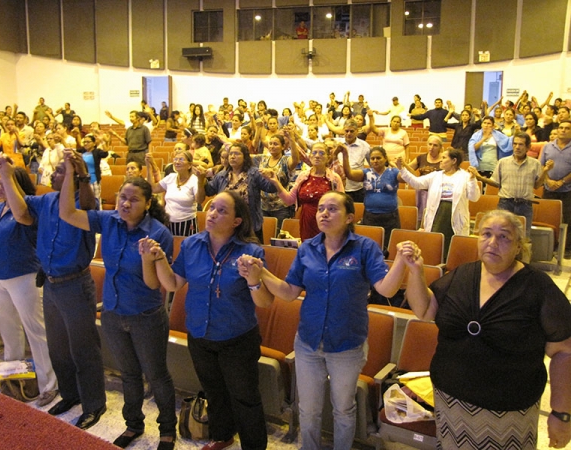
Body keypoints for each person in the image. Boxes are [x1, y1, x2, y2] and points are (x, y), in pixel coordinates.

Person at [237, 191, 414, 450]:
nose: (324, 213)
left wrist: (401, 262)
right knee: (308, 410)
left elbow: (386, 289)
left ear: (350, 216)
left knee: (343, 408)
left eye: (332, 208)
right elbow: (288, 292)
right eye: (321, 208)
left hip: (347, 344)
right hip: (308, 341)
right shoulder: (308, 248)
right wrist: (261, 272)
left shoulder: (365, 248)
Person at [402, 209, 571, 450]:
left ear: (519, 246)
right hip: (451, 403)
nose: (493, 243)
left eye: (504, 237)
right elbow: (425, 309)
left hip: (509, 413)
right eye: (486, 234)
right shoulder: (463, 274)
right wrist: (416, 272)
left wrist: (561, 413)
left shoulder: (537, 287)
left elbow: (565, 352)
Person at [59, 152, 177, 449]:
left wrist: (148, 258)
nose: (126, 203)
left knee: (157, 375)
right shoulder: (109, 221)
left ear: (148, 204)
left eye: (134, 199)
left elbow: (155, 285)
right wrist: (74, 174)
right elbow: (68, 214)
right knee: (128, 374)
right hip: (112, 312)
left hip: (146, 315)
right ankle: (133, 425)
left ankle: (167, 429)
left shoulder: (158, 234)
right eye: (123, 197)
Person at [140, 191, 274, 450]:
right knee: (214, 391)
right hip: (200, 334)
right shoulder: (192, 245)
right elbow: (173, 283)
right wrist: (157, 259)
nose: (212, 213)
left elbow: (265, 302)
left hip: (237, 338)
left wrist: (253, 280)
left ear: (237, 221)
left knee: (245, 398)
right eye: (212, 208)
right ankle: (223, 435)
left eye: (222, 211)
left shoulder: (251, 251)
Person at [0, 154, 107, 430]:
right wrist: (6, 175)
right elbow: (20, 213)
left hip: (75, 285)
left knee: (83, 349)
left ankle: (94, 404)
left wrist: (76, 172)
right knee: (58, 348)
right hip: (51, 284)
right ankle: (70, 395)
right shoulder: (44, 201)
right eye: (58, 171)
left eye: (60, 171)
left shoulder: (81, 204)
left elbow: (90, 202)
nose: (55, 175)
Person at [0, 169, 58, 406]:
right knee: (9, 331)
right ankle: (12, 378)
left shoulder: (28, 211)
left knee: (35, 332)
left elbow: (21, 216)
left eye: (4, 182)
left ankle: (48, 384)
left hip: (24, 276)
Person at [397, 148, 481, 253]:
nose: (440, 160)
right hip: (437, 215)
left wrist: (473, 180)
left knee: (452, 247)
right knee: (435, 246)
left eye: (444, 158)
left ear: (454, 161)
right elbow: (416, 183)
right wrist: (402, 170)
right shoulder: (436, 175)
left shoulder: (466, 176)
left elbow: (474, 197)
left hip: (454, 216)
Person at [470, 131, 550, 237]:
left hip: (525, 205)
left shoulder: (535, 164)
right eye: (515, 144)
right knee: (501, 235)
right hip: (505, 203)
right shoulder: (503, 162)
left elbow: (537, 185)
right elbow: (495, 182)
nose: (517, 147)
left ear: (528, 147)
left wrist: (545, 171)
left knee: (523, 238)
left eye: (521, 144)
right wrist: (479, 177)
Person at [196, 143, 276, 243]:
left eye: (237, 154)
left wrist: (272, 175)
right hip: (226, 226)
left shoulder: (254, 173)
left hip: (250, 227)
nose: (233, 156)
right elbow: (207, 191)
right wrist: (201, 179)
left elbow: (272, 188)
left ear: (245, 157)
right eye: (231, 154)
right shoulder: (222, 175)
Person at [262, 142, 344, 241]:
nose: (317, 156)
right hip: (306, 221)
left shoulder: (334, 178)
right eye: (314, 153)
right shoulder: (303, 176)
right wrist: (276, 182)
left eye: (321, 153)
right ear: (310, 156)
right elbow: (289, 200)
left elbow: (342, 205)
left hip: (327, 221)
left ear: (328, 157)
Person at [338, 145, 401, 249]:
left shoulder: (393, 172)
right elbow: (349, 174)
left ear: (385, 159)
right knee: (370, 247)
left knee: (389, 247)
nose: (375, 161)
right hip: (370, 216)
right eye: (372, 158)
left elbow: (409, 178)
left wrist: (402, 167)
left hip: (390, 217)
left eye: (378, 158)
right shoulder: (366, 173)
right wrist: (345, 155)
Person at [256, 131, 300, 232]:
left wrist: (292, 139)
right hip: (263, 206)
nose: (272, 146)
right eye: (270, 143)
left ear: (283, 147)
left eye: (275, 144)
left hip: (281, 207)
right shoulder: (263, 159)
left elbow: (296, 160)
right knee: (263, 236)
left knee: (278, 237)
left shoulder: (285, 160)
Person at [539, 120, 571, 258]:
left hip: (568, 190)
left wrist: (562, 181)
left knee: (568, 220)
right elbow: (540, 165)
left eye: (567, 128)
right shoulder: (548, 146)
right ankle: (549, 248)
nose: (563, 130)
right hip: (549, 188)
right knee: (548, 219)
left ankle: (567, 249)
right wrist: (548, 180)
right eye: (561, 128)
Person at [149, 149, 199, 236]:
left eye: (181, 159)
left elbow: (199, 199)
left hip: (187, 224)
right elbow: (153, 188)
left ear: (189, 165)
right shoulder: (171, 177)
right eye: (175, 159)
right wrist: (149, 166)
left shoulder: (194, 180)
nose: (177, 162)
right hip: (168, 222)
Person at [336, 119, 371, 203]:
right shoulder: (336, 144)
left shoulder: (365, 146)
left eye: (351, 131)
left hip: (357, 188)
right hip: (338, 187)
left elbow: (372, 166)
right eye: (346, 131)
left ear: (357, 131)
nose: (348, 133)